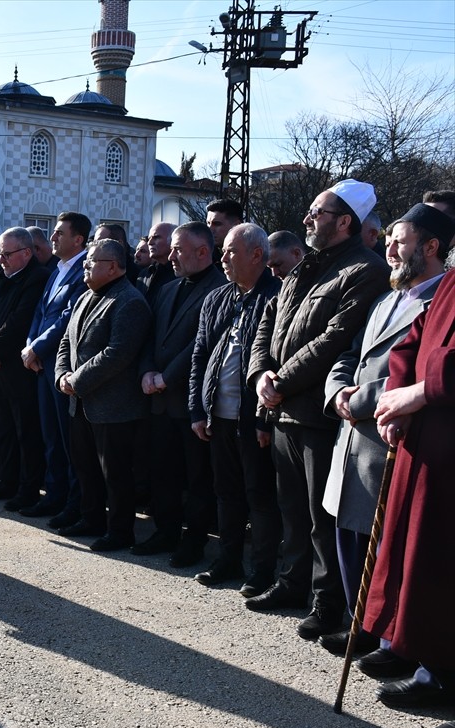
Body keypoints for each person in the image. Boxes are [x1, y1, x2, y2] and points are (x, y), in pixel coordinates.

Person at [246, 179, 390, 640]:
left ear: (344, 221)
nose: (308, 218)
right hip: (282, 408)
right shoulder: (304, 265)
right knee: (292, 509)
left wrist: (280, 383)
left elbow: (334, 339)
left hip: (316, 414)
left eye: (318, 212)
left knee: (322, 516)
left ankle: (328, 603)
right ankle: (292, 584)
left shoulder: (365, 270)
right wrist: (260, 375)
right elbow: (270, 321)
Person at [320, 205, 450, 660]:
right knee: (347, 535)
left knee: (383, 546)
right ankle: (361, 625)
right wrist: (336, 389)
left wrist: (358, 401)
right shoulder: (387, 299)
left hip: (385, 436)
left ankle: (389, 638)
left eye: (401, 241)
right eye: (389, 240)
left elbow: (414, 372)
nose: (389, 249)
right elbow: (352, 354)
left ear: (431, 248)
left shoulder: (438, 302)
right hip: (351, 434)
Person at [367, 252, 455, 728]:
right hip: (429, 453)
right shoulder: (450, 284)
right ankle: (440, 670)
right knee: (430, 567)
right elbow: (414, 341)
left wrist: (422, 392)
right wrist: (397, 397)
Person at [188, 223, 282, 595]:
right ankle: (227, 560)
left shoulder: (275, 296)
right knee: (225, 491)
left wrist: (263, 418)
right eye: (221, 251)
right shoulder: (217, 298)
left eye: (230, 251)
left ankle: (261, 570)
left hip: (253, 419)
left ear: (257, 254)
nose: (222, 258)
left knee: (259, 494)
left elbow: (274, 361)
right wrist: (197, 408)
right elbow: (200, 355)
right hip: (217, 415)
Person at [132, 222, 226, 567]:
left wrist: (165, 378)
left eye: (178, 250)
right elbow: (151, 336)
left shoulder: (221, 288)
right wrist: (146, 370)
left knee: (197, 477)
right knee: (162, 471)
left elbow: (201, 345)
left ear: (203, 252)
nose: (170, 256)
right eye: (170, 248)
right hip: (158, 399)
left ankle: (195, 540)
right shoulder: (168, 288)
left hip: (191, 401)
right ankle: (165, 531)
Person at [54, 239, 151, 552]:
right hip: (79, 401)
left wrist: (77, 380)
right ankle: (91, 518)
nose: (85, 266)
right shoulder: (84, 296)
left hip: (113, 406)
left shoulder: (130, 301)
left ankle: (120, 531)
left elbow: (118, 353)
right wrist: (61, 376)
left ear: (113, 266)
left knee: (115, 473)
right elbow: (66, 342)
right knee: (85, 467)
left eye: (92, 262)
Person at [0, 227, 51, 511]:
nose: (1, 259)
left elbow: (19, 323)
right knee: (3, 429)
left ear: (26, 253)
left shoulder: (37, 278)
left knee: (25, 431)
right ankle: (5, 482)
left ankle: (28, 488)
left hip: (19, 369)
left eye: (7, 254)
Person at [23, 212, 90, 524]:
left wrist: (36, 348)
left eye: (60, 233)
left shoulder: (83, 271)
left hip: (62, 365)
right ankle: (54, 494)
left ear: (78, 239)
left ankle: (74, 502)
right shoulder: (57, 270)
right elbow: (41, 310)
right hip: (41, 364)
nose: (52, 238)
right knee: (50, 435)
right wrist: (30, 344)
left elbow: (66, 317)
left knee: (68, 440)